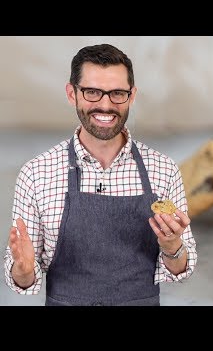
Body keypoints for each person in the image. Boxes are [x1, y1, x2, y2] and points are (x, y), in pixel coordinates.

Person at [3, 44, 197, 306]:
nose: (105, 105)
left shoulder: (163, 170)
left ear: (132, 95)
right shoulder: (36, 173)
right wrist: (24, 270)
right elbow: (22, 278)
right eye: (92, 92)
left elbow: (180, 270)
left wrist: (173, 246)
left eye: (117, 93)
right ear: (72, 94)